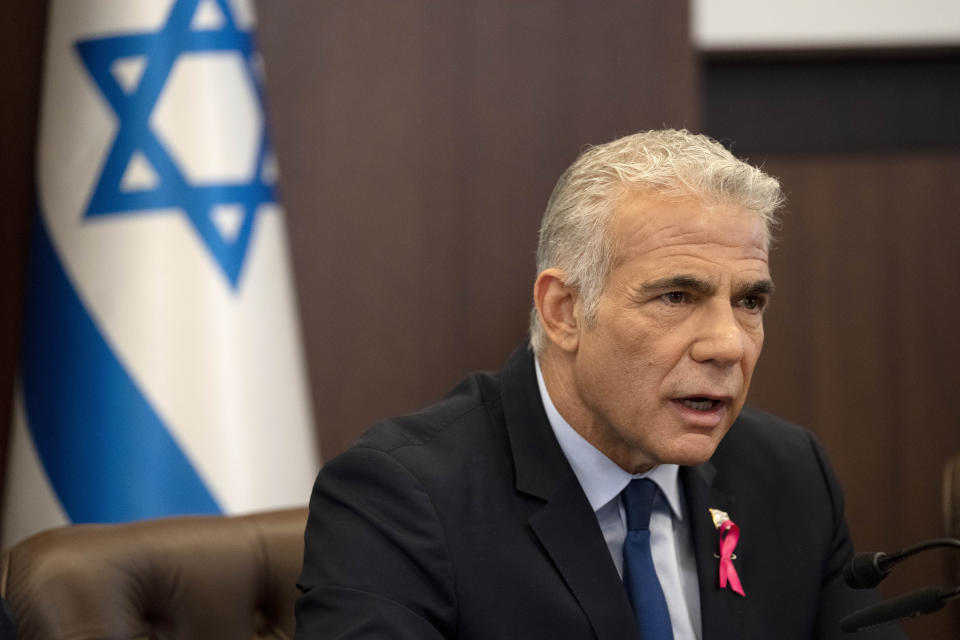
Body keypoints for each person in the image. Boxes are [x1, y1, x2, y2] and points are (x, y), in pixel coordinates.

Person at [294, 129, 905, 639]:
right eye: (676, 296)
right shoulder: (400, 500)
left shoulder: (789, 476)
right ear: (563, 311)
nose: (728, 344)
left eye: (749, 301)